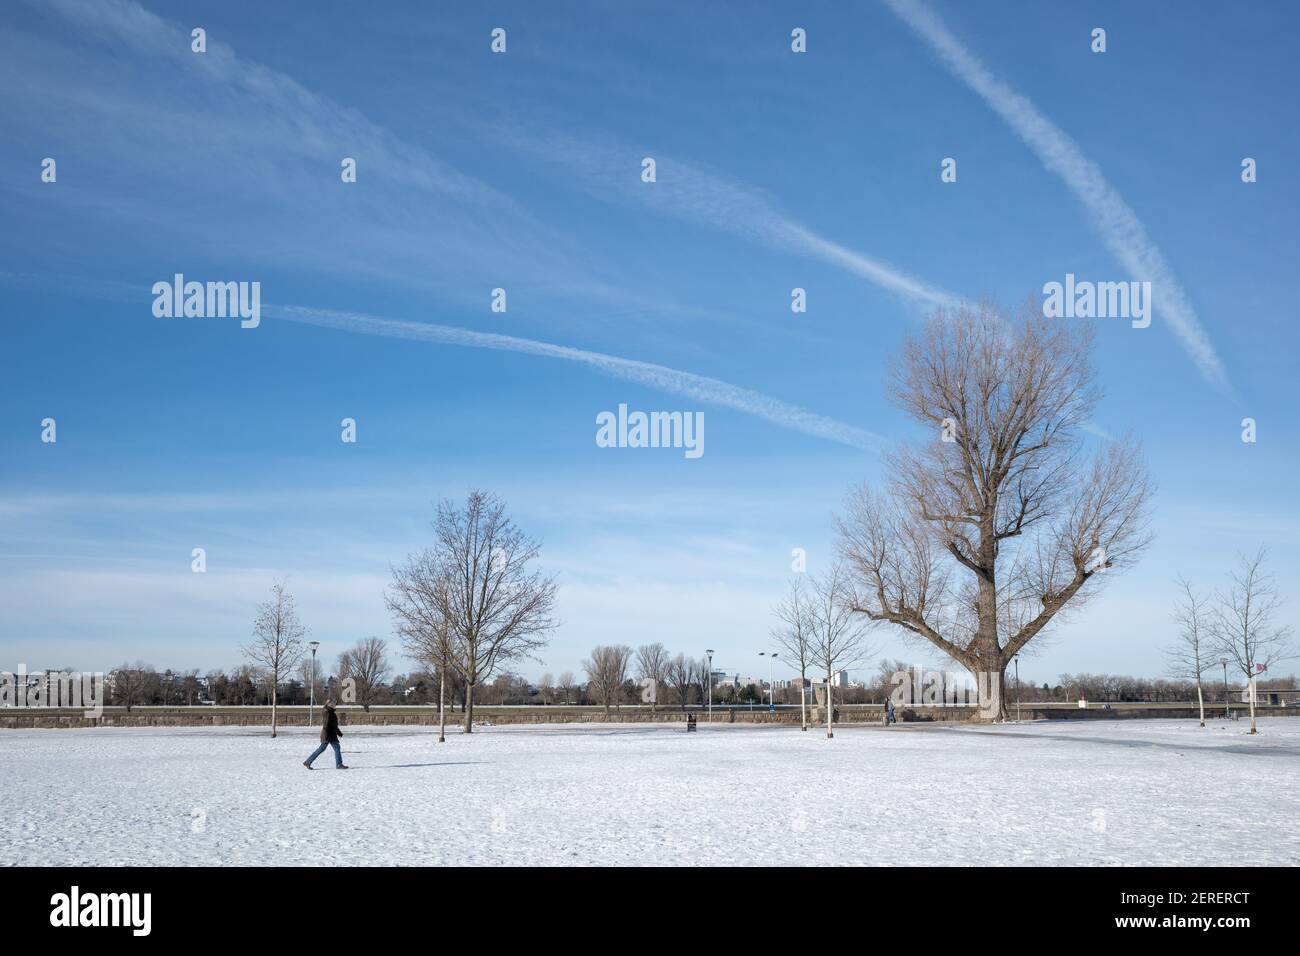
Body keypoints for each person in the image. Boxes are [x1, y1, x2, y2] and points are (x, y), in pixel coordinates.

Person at [304, 700, 348, 769]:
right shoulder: (327, 712)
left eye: (335, 703)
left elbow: (334, 725)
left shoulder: (331, 712)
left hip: (331, 735)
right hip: (328, 735)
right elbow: (326, 724)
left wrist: (339, 733)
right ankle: (339, 764)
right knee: (335, 748)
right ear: (329, 704)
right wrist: (326, 734)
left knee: (325, 749)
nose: (335, 705)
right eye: (333, 703)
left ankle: (308, 762)